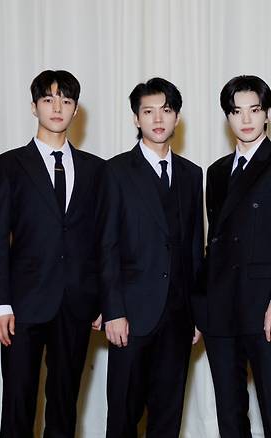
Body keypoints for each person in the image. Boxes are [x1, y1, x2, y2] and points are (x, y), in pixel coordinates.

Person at [0, 70, 104, 437]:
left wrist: (101, 299)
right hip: (22, 303)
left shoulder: (95, 169)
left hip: (76, 302)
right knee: (18, 402)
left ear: (76, 110)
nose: (57, 108)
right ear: (34, 106)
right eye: (49, 100)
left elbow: (101, 239)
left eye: (66, 101)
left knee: (64, 403)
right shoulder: (7, 165)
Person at [200, 75, 271, 437]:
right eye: (236, 111)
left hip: (266, 309)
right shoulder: (216, 172)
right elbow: (214, 244)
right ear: (227, 117)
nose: (245, 119)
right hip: (220, 309)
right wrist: (202, 306)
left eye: (254, 109)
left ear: (267, 114)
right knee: (229, 414)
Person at [98, 77, 204, 438]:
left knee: (168, 418)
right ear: (136, 118)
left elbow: (194, 247)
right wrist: (114, 310)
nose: (158, 119)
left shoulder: (192, 174)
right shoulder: (115, 171)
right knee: (123, 417)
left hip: (177, 318)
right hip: (130, 315)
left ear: (177, 117)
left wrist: (196, 313)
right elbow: (107, 245)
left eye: (166, 110)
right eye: (148, 111)